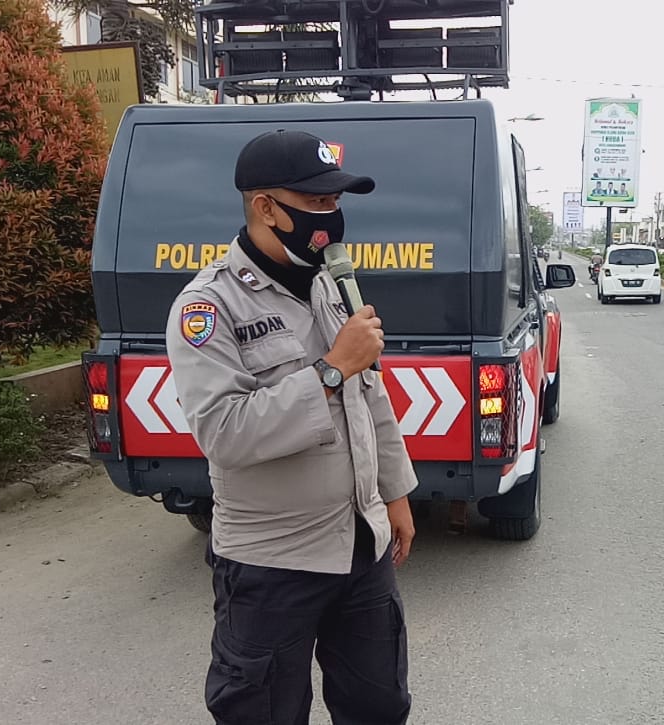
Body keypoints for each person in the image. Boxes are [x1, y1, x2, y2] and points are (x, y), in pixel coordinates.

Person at [165, 129, 418, 725]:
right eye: (315, 203)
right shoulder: (208, 307)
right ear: (265, 207)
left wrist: (396, 492)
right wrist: (331, 370)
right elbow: (224, 432)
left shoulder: (330, 283)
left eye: (336, 202)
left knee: (379, 705)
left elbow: (370, 393)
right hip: (271, 561)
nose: (331, 217)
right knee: (265, 713)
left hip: (361, 545)